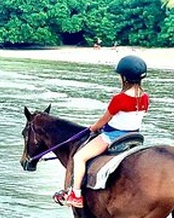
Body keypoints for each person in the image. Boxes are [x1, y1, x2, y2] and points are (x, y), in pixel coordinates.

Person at [54, 55, 149, 209]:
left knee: (79, 157)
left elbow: (105, 120)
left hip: (113, 136)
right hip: (134, 137)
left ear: (124, 77)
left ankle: (75, 195)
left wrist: (93, 128)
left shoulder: (119, 99)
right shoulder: (145, 97)